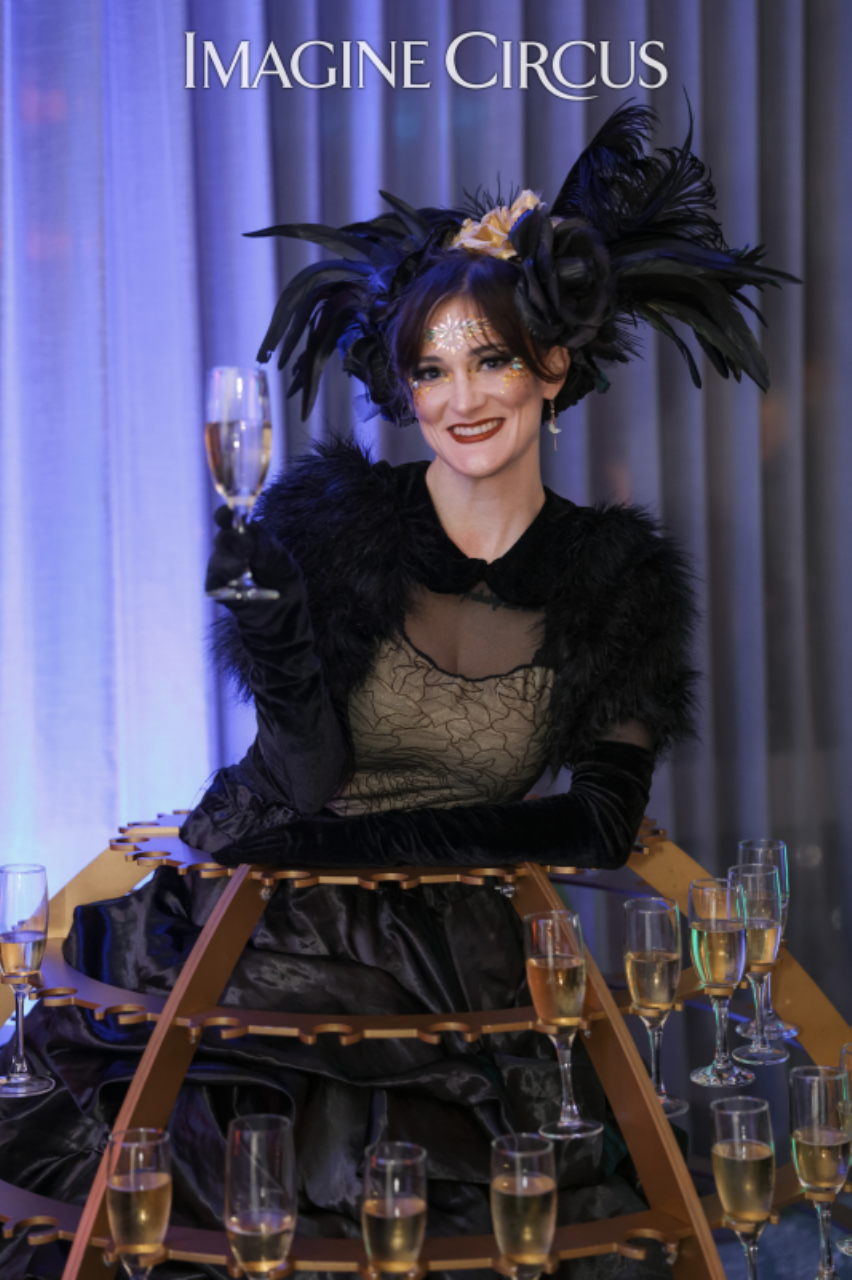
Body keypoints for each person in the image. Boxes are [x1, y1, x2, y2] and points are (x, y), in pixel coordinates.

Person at [0, 105, 790, 1280]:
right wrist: (270, 634)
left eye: (492, 359)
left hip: (457, 953)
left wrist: (372, 844)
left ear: (553, 367)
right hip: (262, 927)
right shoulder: (330, 524)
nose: (461, 396)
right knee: (226, 1205)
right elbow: (304, 771)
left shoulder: (616, 574)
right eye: (432, 367)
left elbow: (601, 819)